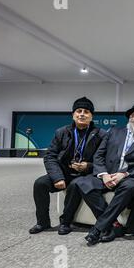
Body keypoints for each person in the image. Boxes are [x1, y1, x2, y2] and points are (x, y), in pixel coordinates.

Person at [74, 102, 134, 246]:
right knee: (82, 183)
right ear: (130, 117)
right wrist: (103, 174)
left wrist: (124, 174)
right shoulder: (113, 132)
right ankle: (113, 224)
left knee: (130, 187)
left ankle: (98, 229)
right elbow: (99, 155)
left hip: (130, 176)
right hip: (108, 174)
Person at [29, 97, 106, 235]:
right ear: (73, 114)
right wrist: (57, 177)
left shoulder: (101, 134)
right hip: (63, 172)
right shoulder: (62, 132)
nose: (82, 114)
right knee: (40, 183)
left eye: (86, 111)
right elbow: (50, 156)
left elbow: (104, 160)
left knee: (75, 184)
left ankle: (66, 222)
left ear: (91, 116)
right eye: (78, 111)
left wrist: (88, 166)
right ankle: (42, 222)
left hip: (86, 175)